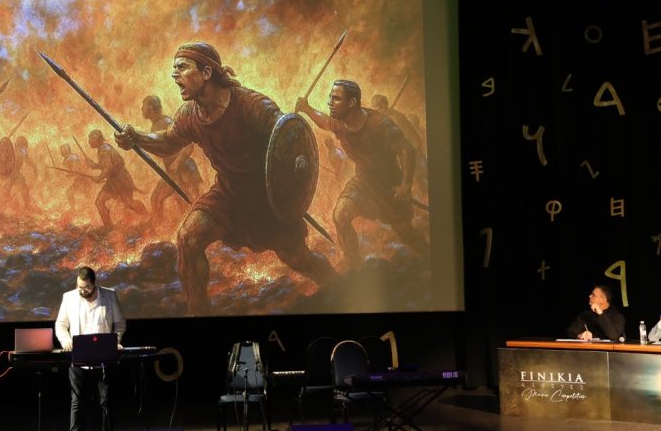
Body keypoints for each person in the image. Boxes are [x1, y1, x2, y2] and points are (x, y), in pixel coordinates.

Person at [115, 42, 337, 313]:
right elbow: (168, 142)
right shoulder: (190, 114)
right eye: (174, 69)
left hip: (266, 199)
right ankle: (199, 313)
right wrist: (137, 137)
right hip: (229, 194)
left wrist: (290, 194)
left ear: (206, 72)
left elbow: (290, 140)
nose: (175, 74)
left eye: (182, 67)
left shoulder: (251, 105)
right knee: (189, 237)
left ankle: (338, 287)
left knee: (297, 258)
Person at [295, 79, 428, 271]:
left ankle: (431, 256)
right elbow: (324, 121)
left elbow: (406, 149)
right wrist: (307, 109)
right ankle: (355, 267)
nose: (330, 102)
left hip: (388, 185)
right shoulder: (341, 124)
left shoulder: (379, 124)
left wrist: (406, 185)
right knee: (340, 215)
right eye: (330, 97)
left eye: (336, 98)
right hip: (363, 182)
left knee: (406, 233)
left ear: (352, 102)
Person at [54, 265, 126, 431]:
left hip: (103, 357)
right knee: (77, 400)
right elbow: (60, 324)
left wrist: (115, 341)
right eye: (79, 287)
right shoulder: (69, 297)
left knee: (106, 399)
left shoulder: (109, 295)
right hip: (79, 357)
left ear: (94, 284)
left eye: (86, 288)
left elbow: (120, 324)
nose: (83, 291)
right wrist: (65, 339)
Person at [141, 94, 203, 222]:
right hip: (173, 172)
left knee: (191, 204)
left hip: (184, 169)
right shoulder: (156, 125)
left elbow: (188, 146)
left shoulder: (167, 123)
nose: (142, 109)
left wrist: (176, 164)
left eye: (144, 105)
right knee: (158, 199)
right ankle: (159, 227)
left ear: (151, 107)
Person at [86, 129, 148, 228]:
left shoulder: (105, 150)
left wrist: (98, 178)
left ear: (97, 139)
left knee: (128, 202)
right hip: (114, 180)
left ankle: (147, 216)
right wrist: (94, 165)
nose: (89, 141)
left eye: (91, 138)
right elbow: (105, 164)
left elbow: (108, 169)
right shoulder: (103, 149)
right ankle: (108, 226)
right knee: (100, 201)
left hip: (120, 180)